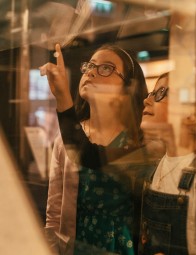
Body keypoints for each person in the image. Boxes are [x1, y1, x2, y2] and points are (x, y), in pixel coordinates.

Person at [39, 43, 148, 255]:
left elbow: (89, 155)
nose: (91, 72)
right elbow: (54, 211)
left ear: (128, 86)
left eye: (106, 68)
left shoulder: (137, 140)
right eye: (90, 65)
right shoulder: (66, 139)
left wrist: (63, 98)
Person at [138, 72, 196, 255]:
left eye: (161, 92)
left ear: (192, 114)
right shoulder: (152, 170)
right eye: (151, 94)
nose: (146, 101)